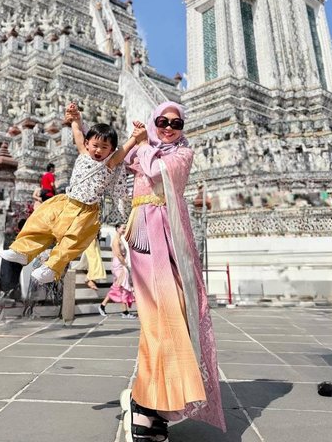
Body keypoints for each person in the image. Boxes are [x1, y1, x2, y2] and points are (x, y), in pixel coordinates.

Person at [120, 101, 226, 442]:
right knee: (157, 320)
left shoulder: (182, 154)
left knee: (176, 318)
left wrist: (143, 144)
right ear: (154, 122)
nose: (169, 127)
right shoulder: (144, 149)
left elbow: (157, 174)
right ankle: (146, 404)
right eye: (162, 121)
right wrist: (135, 141)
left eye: (176, 123)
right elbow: (119, 165)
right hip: (143, 242)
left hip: (171, 243)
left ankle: (154, 403)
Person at [0, 103, 146, 285]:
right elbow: (77, 133)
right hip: (66, 202)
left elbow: (123, 151)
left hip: (86, 212)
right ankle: (22, 251)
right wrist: (75, 118)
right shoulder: (83, 153)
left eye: (104, 147)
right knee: (40, 223)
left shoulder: (109, 164)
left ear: (111, 150)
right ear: (87, 143)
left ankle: (52, 268)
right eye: (95, 145)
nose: (99, 150)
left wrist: (134, 136)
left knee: (71, 242)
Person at [99, 223, 136, 319]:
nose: (124, 230)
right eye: (123, 228)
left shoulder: (120, 240)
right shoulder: (116, 241)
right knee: (123, 286)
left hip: (121, 264)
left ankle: (102, 306)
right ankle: (125, 312)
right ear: (117, 229)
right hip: (119, 265)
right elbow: (119, 255)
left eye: (125, 228)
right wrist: (126, 265)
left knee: (117, 287)